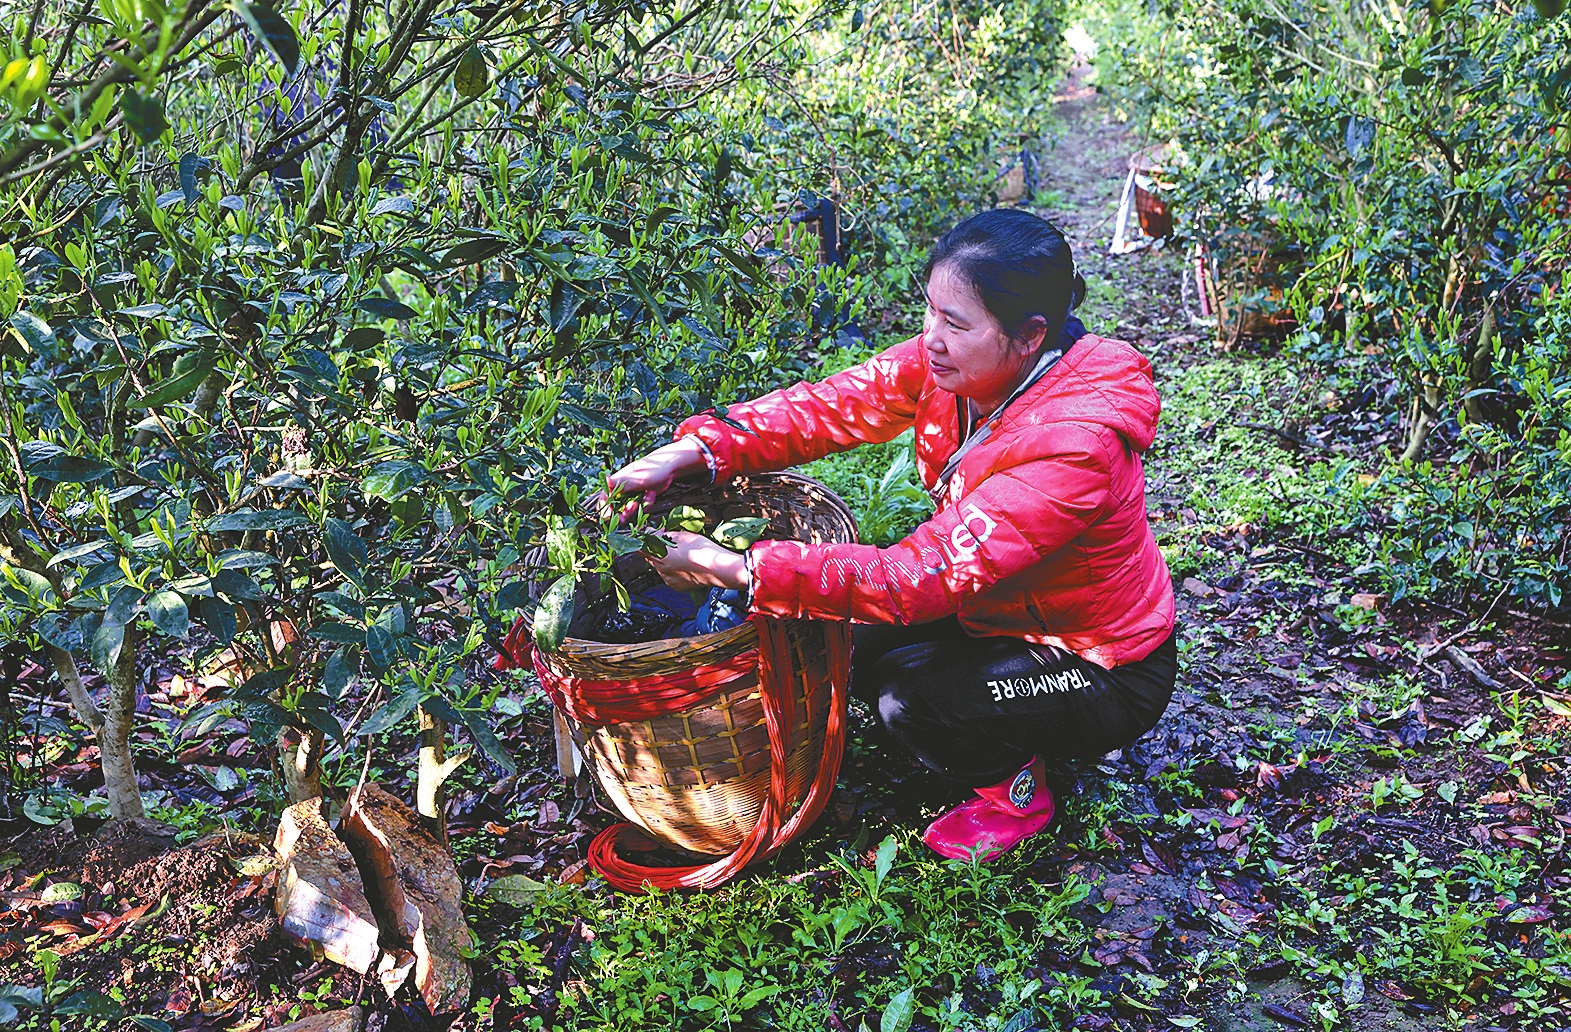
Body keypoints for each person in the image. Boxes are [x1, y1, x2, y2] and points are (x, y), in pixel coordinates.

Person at [605, 208, 1177, 862]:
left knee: (911, 702)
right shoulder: (952, 371)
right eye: (929, 312)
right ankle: (992, 713)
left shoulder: (1073, 449)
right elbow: (827, 407)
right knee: (852, 643)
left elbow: (919, 578)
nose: (930, 337)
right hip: (999, 610)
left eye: (954, 323)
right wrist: (700, 449)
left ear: (1028, 336)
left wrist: (732, 565)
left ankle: (1019, 796)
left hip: (1096, 668)